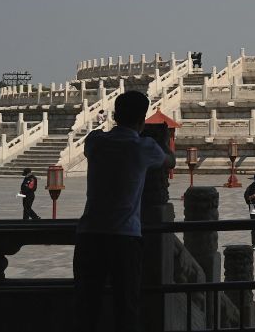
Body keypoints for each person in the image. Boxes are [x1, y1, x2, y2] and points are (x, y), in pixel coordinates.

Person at [74, 90, 175, 332]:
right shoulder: (144, 147)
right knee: (126, 307)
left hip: (89, 234)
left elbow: (99, 139)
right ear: (142, 119)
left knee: (87, 307)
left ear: (116, 115)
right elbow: (169, 162)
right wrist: (163, 143)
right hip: (125, 237)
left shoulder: (95, 141)